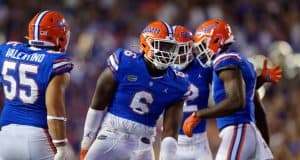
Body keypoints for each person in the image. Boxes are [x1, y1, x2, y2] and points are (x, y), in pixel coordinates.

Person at [79, 21, 191, 160]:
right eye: (162, 46)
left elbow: (170, 132)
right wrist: (86, 144)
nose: (167, 53)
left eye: (170, 48)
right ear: (146, 44)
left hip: (142, 146)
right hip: (111, 136)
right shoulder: (124, 62)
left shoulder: (178, 82)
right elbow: (97, 104)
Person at [183, 19, 281, 160]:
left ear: (217, 40)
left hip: (237, 129)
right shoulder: (242, 62)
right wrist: (263, 142)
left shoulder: (225, 60)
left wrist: (198, 115)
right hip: (250, 131)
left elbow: (236, 101)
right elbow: (257, 108)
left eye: (203, 45)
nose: (201, 51)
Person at [0, 10, 73, 160]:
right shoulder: (55, 61)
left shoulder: (7, 50)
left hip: (5, 136)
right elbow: (54, 109)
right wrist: (61, 146)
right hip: (37, 137)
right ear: (59, 37)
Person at [172, 25, 213, 160]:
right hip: (172, 141)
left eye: (181, 49)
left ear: (191, 47)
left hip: (200, 141)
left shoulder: (204, 66)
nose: (177, 54)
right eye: (173, 49)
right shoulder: (163, 70)